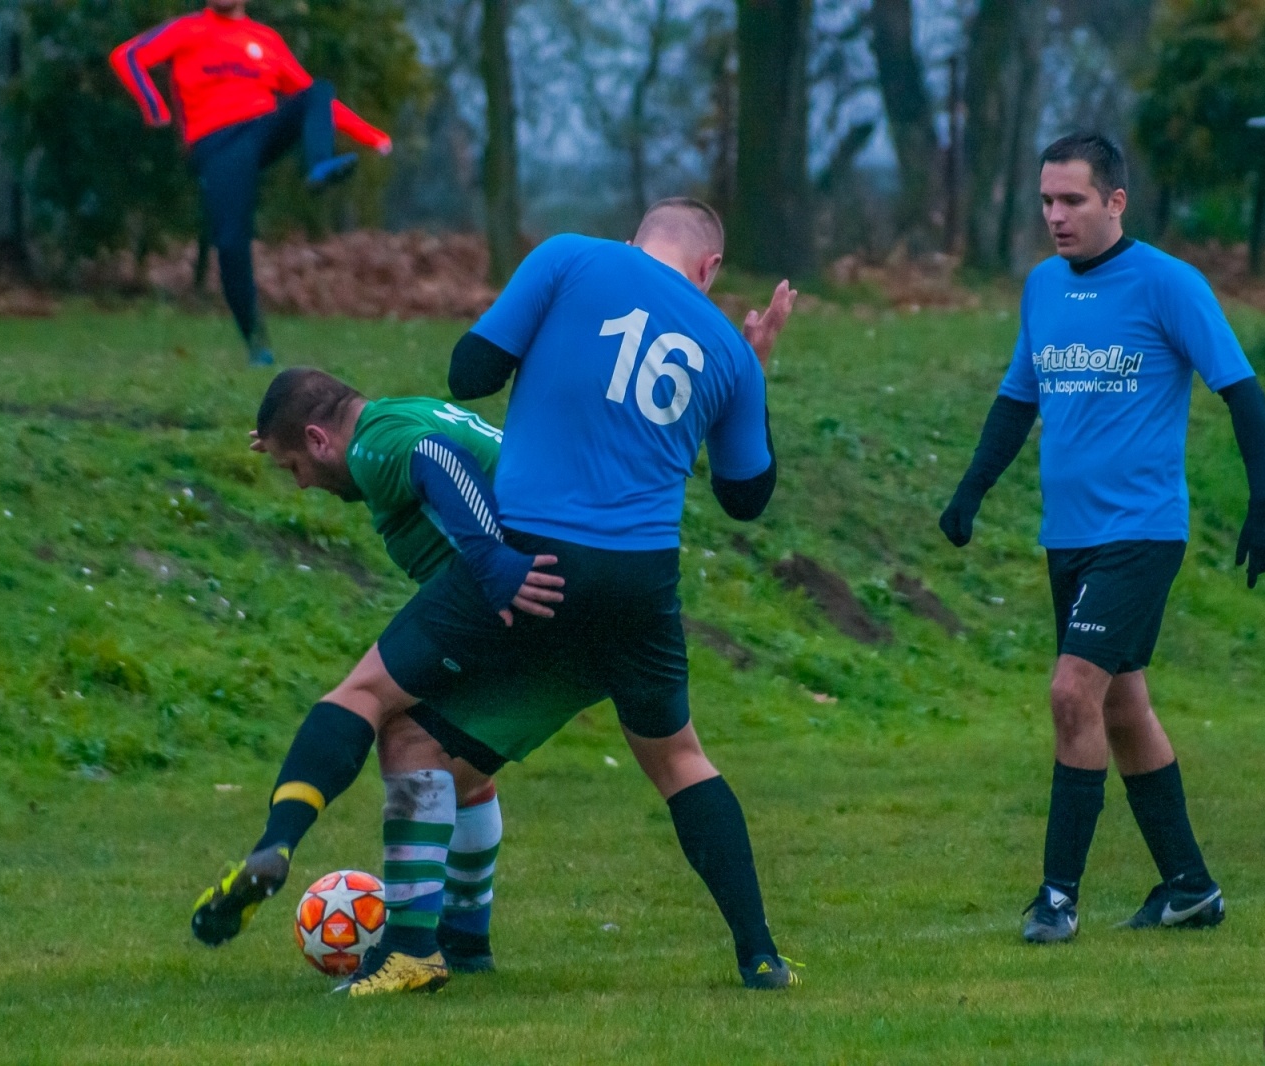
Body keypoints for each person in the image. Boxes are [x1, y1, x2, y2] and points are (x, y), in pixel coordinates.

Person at [193, 198, 800, 995]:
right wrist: (750, 371)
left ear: (634, 240)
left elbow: (469, 375)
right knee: (679, 760)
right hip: (640, 583)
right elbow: (746, 497)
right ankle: (760, 956)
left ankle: (379, 922)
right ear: (710, 269)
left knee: (373, 704)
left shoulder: (572, 257)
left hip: (532, 554)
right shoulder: (727, 349)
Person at [938, 133, 1265, 943]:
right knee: (1122, 705)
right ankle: (1190, 886)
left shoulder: (1169, 283)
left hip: (1141, 532)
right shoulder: (1042, 286)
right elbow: (1018, 399)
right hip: (1068, 536)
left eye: (1073, 200)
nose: (1055, 216)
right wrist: (971, 488)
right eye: (1047, 201)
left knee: (1073, 693)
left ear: (1116, 201)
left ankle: (1057, 898)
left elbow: (1242, 391)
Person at [190, 373, 523, 974]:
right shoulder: (401, 412)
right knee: (451, 761)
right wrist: (281, 430)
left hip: (504, 584)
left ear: (320, 439)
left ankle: (278, 841)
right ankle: (467, 944)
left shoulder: (375, 445)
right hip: (559, 578)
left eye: (295, 466)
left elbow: (435, 459)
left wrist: (493, 562)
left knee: (362, 696)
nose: (302, 483)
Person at [110, 0, 393, 367]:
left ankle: (319, 166)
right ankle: (257, 343)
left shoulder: (266, 39)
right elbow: (128, 56)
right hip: (217, 145)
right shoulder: (187, 30)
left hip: (261, 130)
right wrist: (154, 107)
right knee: (231, 244)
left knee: (318, 90)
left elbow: (316, 101)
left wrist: (371, 136)